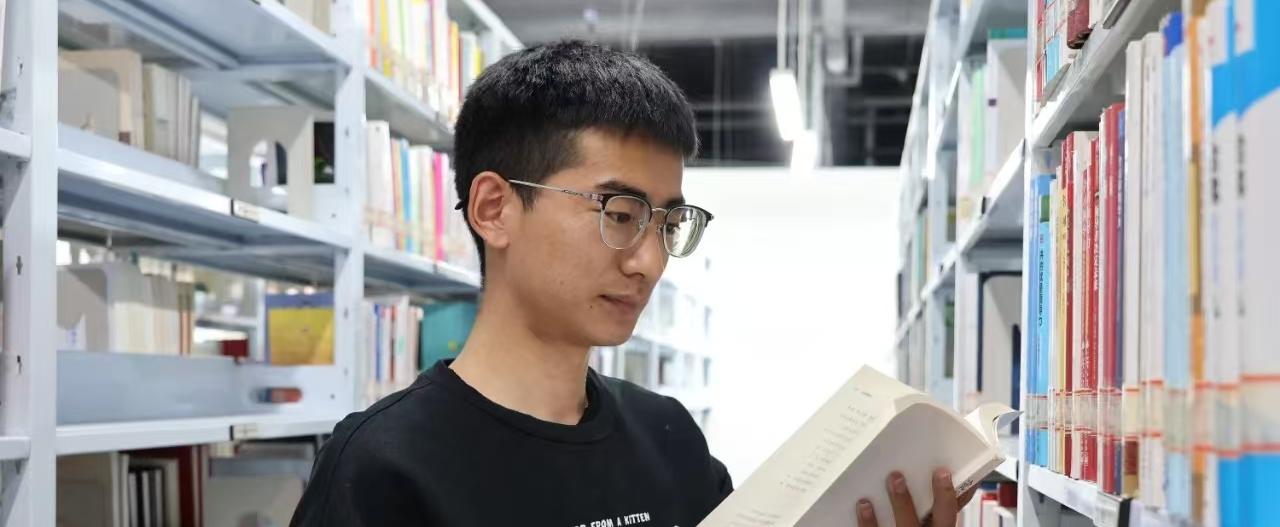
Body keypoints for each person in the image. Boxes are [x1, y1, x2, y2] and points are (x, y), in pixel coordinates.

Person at [290, 40, 972, 527]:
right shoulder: (382, 467)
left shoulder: (670, 437)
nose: (649, 261)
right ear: (494, 209)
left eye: (668, 222)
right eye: (619, 214)